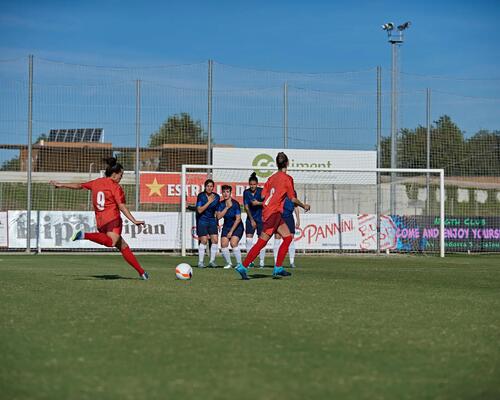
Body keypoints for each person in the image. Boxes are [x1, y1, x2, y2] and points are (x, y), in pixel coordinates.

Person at [50, 157, 149, 280]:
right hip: (112, 219)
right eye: (121, 175)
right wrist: (134, 220)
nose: (121, 177)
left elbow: (79, 185)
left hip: (101, 222)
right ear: (114, 174)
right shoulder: (115, 187)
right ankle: (84, 235)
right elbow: (121, 206)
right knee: (112, 242)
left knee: (122, 245)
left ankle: (142, 272)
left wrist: (62, 185)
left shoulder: (96, 182)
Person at [235, 152, 310, 280]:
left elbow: (264, 195)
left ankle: (278, 268)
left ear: (276, 164)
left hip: (270, 212)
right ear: (287, 163)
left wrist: (274, 195)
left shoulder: (271, 178)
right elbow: (292, 198)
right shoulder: (287, 179)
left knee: (287, 238)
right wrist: (304, 206)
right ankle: (243, 265)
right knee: (262, 242)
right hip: (273, 214)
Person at [216, 185, 244, 269]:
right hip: (227, 225)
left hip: (237, 226)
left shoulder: (235, 204)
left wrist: (231, 231)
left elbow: (238, 219)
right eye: (224, 192)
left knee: (233, 243)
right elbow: (218, 216)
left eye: (227, 192)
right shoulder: (220, 204)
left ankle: (239, 263)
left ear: (230, 193)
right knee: (223, 244)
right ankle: (229, 263)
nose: (225, 194)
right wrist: (227, 207)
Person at [195, 179, 220, 268]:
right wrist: (209, 201)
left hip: (212, 220)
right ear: (205, 187)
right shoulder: (201, 196)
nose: (209, 188)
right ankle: (200, 262)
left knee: (215, 240)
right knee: (204, 240)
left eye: (211, 186)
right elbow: (199, 210)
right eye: (208, 186)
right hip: (202, 220)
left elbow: (216, 211)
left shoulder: (217, 197)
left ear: (213, 187)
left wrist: (217, 222)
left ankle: (212, 261)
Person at [243, 172, 265, 268]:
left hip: (261, 218)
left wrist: (258, 203)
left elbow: (267, 203)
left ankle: (261, 261)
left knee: (262, 240)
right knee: (248, 239)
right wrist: (251, 220)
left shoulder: (262, 191)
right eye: (251, 184)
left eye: (254, 184)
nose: (252, 186)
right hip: (250, 218)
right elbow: (246, 207)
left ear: (257, 184)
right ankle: (250, 261)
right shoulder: (246, 192)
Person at [273, 191, 300, 268]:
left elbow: (296, 206)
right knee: (277, 238)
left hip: (289, 217)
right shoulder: (279, 190)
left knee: (291, 239)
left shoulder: (294, 192)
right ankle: (276, 262)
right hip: (279, 217)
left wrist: (298, 219)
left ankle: (292, 262)